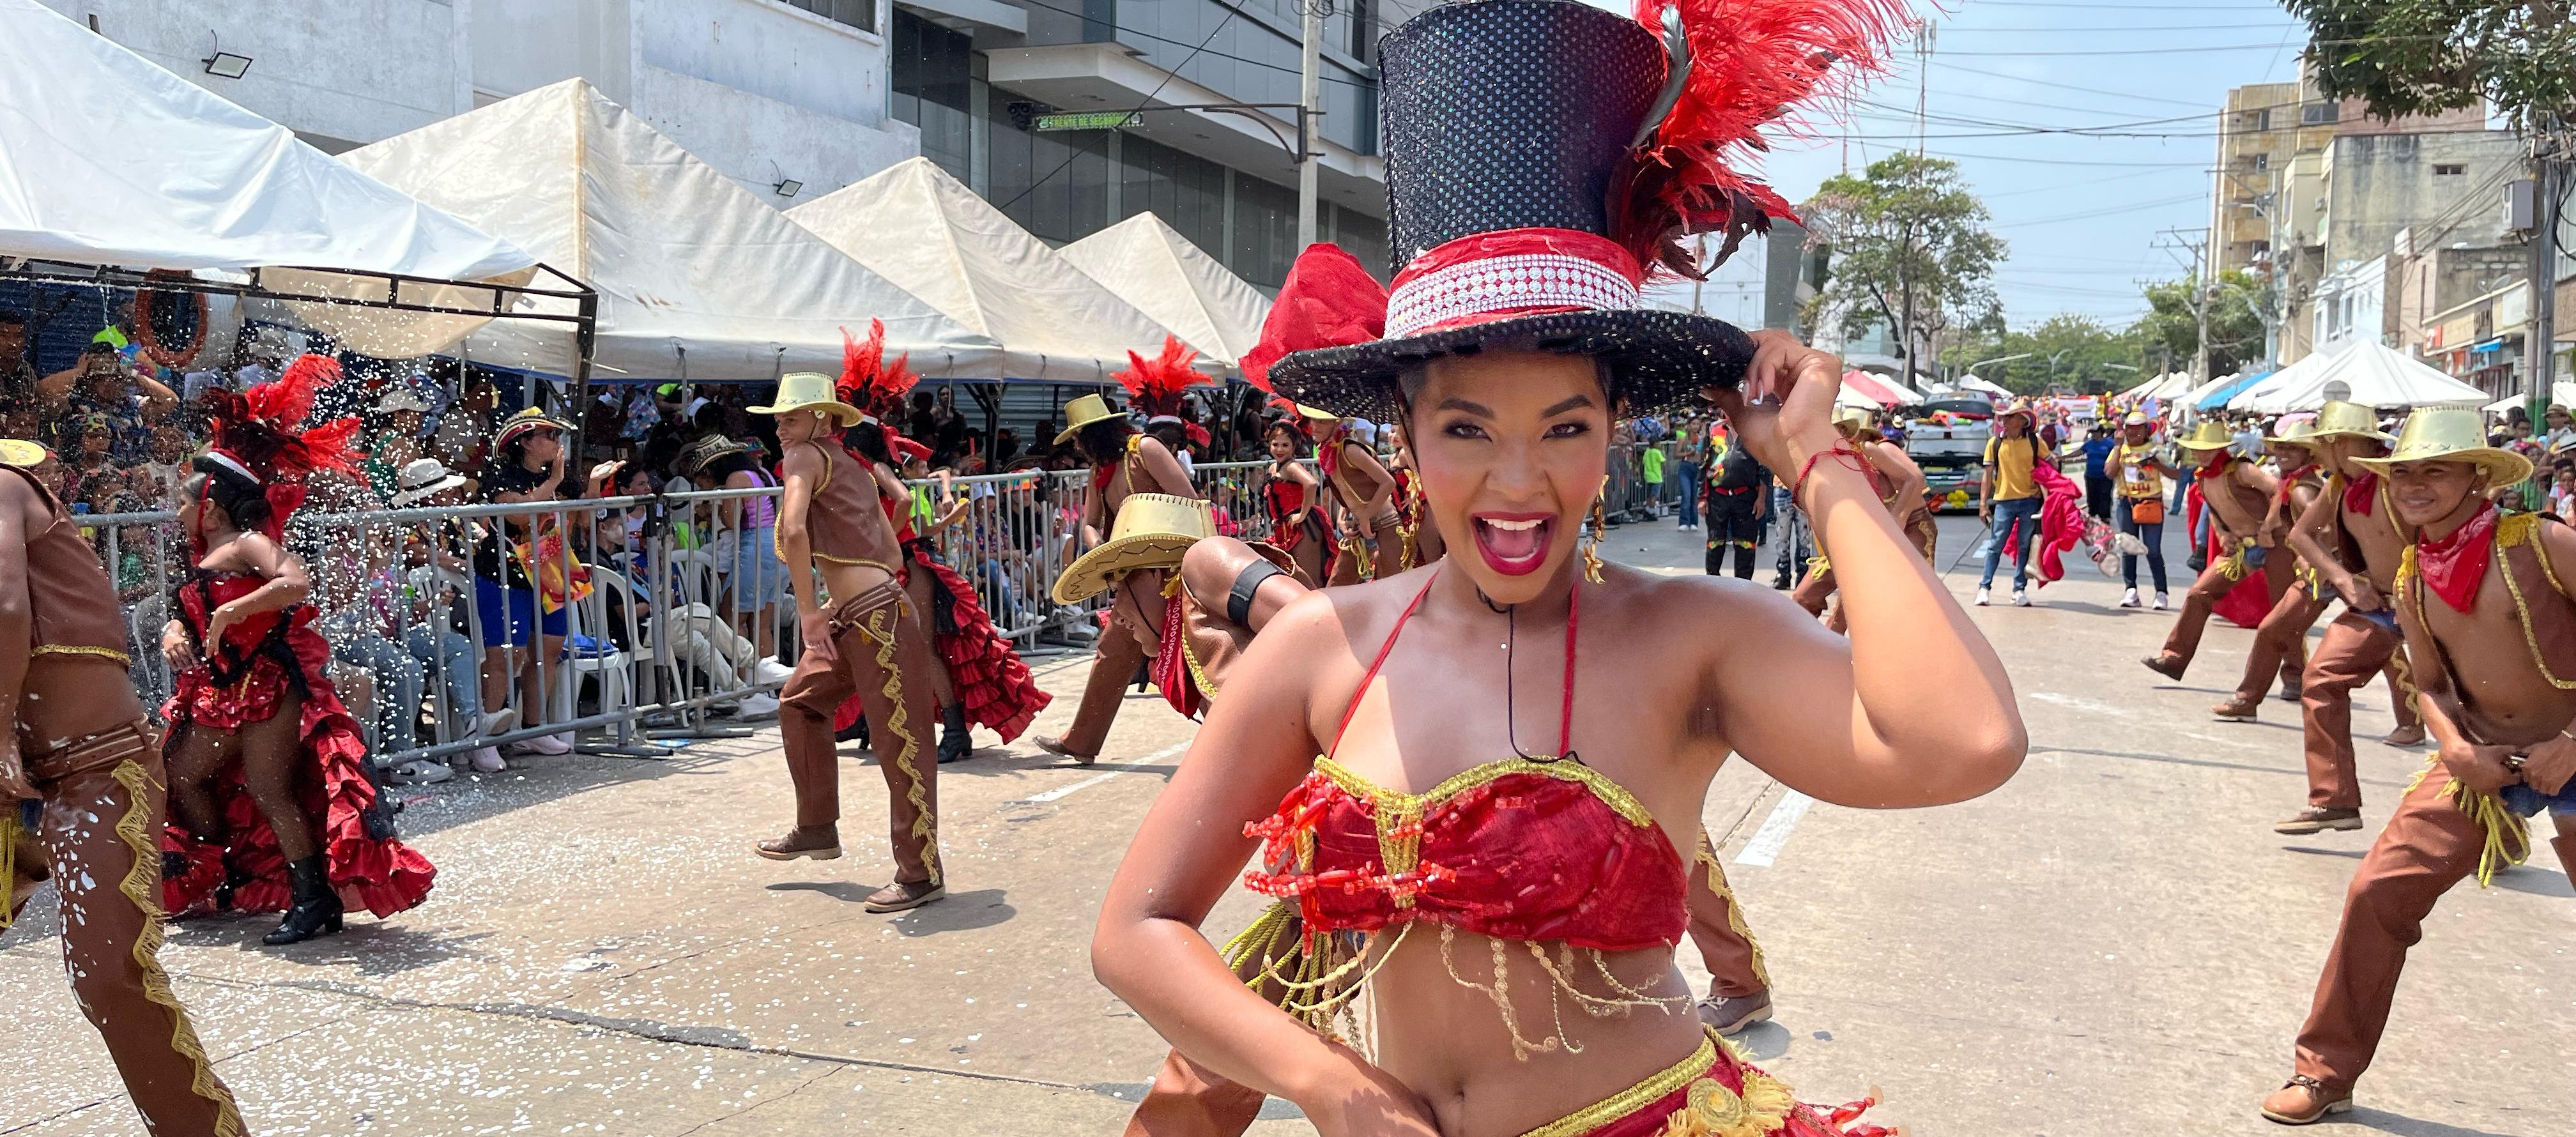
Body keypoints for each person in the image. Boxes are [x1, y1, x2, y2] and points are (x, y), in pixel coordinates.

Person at [1090, 3, 2023, 1132]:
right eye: (1469, 432)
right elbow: (1134, 933)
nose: (1520, 484)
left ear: (1618, 428)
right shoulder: (1319, 645)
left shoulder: (1696, 638)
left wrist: (1814, 464)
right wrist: (1336, 1092)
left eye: (1567, 429)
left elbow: (1963, 743)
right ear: (1407, 433)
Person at [2260, 407, 2576, 1125]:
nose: (2415, 485)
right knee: (2378, 892)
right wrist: (2458, 751)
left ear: (2477, 477)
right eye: (2404, 472)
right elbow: (2430, 683)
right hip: (2484, 761)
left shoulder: (2541, 542)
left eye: (2436, 468)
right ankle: (2323, 1073)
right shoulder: (2412, 570)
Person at [0, 435, 249, 1136]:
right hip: (17, 784)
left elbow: (6, 612)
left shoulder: (2, 486)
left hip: (94, 768)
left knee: (109, 977)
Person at [157, 355, 436, 945]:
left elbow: (296, 582)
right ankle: (225, 875)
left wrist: (234, 610)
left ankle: (313, 901)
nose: (175, 512)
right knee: (182, 774)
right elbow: (189, 609)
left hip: (267, 684)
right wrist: (174, 630)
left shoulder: (251, 542)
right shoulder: (205, 553)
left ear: (208, 506)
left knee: (271, 788)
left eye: (182, 502)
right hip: (219, 690)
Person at [753, 370, 946, 912]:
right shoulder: (856, 468)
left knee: (900, 742)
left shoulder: (805, 457)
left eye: (790, 418)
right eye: (779, 420)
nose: (782, 429)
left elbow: (793, 531)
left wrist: (812, 612)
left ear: (820, 418)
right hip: (867, 612)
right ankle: (816, 827)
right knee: (801, 702)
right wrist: (837, 606)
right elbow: (889, 554)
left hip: (872, 618)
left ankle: (920, 872)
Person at [835, 322, 1052, 761]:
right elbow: (920, 497)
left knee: (923, 647)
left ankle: (955, 733)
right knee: (871, 643)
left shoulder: (867, 464)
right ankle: (867, 719)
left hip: (907, 564)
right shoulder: (865, 463)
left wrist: (885, 547)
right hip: (900, 560)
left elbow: (901, 505)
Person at [2272, 401, 2428, 836]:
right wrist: (2345, 581)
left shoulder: (2395, 482)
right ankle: (2335, 801)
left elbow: (2434, 542)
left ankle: (2499, 829)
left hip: (2432, 607)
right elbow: (2300, 535)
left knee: (2470, 715)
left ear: (2339, 443)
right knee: (2321, 681)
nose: (2319, 452)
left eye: (2322, 443)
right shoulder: (2340, 485)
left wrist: (2412, 593)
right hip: (2375, 605)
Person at [1032, 385, 1206, 765]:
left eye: (1078, 438)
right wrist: (1099, 549)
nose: (1076, 447)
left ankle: (1229, 736)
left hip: (1171, 573)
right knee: (1112, 654)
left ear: (1094, 434)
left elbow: (1187, 500)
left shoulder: (1145, 449)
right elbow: (1091, 524)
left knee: (1188, 652)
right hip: (1131, 576)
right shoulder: (1100, 469)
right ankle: (1081, 740)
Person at [472, 408, 624, 763]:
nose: (557, 443)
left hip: (551, 565)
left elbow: (582, 518)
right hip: (503, 572)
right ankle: (485, 738)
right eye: (549, 436)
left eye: (557, 436)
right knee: (506, 655)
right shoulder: (502, 474)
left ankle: (533, 730)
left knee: (549, 651)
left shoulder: (561, 477)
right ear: (525, 442)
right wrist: (553, 483)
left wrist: (592, 486)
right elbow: (516, 515)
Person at [2139, 420, 2287, 678]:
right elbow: (2215, 513)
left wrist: (2268, 526)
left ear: (2220, 449)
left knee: (2284, 614)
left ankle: (2295, 677)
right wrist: (2222, 534)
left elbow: (2280, 491)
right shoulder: (2202, 477)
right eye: (2198, 449)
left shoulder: (2242, 470)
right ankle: (2174, 659)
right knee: (2199, 594)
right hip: (2242, 550)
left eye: (2208, 449)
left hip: (2274, 546)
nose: (2201, 453)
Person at [2206, 420, 2328, 719]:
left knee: (2387, 650)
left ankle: (2414, 722)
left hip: (2320, 571)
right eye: (2281, 447)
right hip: (2299, 562)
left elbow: (2325, 530)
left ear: (2307, 453)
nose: (2284, 453)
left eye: (2292, 448)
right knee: (2276, 627)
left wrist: (2311, 557)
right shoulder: (2293, 481)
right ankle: (2253, 697)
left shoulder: (2304, 489)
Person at [1793, 409, 1935, 634]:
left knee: (1914, 595)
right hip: (1864, 536)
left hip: (1909, 527)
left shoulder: (1870, 450)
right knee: (1806, 597)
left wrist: (1896, 520)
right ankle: (1815, 645)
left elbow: (1915, 479)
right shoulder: (1833, 457)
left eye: (1838, 428)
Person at [2103, 412, 2177, 609]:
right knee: (2129, 548)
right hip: (2126, 504)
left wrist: (2156, 464)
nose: (2134, 432)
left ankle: (2161, 592)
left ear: (2147, 430)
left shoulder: (2156, 449)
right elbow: (2109, 473)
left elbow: (2176, 473)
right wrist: (2118, 447)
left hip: (2151, 503)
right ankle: (2131, 590)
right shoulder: (2120, 450)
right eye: (2130, 428)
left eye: (2138, 428)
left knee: (2153, 550)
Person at [1977, 402, 2049, 606]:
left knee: (2024, 545)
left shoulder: (2035, 442)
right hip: (2003, 502)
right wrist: (1983, 504)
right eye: (2004, 417)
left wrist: (2045, 487)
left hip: (2030, 501)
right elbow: (1987, 475)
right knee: (1996, 546)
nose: (2004, 421)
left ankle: (2019, 590)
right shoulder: (1995, 443)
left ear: (2021, 421)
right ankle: (1985, 587)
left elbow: (2051, 464)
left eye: (2009, 417)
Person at [1257, 416, 1335, 585]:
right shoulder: (1274, 467)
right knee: (1296, 579)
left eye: (1285, 445)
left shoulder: (1291, 466)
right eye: (1275, 444)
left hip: (1304, 529)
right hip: (1288, 528)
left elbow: (1311, 484)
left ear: (1294, 447)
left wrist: (1302, 514)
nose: (1280, 449)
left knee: (1310, 580)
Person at [1703, 427, 1769, 578]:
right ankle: (1712, 583)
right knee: (1715, 542)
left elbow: (1764, 469)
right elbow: (1704, 465)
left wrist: (1761, 499)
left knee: (1745, 544)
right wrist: (1702, 498)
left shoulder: (1753, 432)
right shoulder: (1714, 430)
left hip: (1746, 497)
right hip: (1718, 497)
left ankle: (1743, 586)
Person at [2078, 422, 2119, 521]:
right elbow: (2079, 452)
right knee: (2092, 496)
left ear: (2101, 432)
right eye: (2092, 433)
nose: (2094, 435)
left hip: (2105, 476)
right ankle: (2092, 514)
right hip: (2091, 475)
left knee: (2105, 496)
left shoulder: (2109, 443)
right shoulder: (2089, 444)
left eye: (2095, 432)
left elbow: (2117, 454)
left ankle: (2104, 517)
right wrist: (2063, 457)